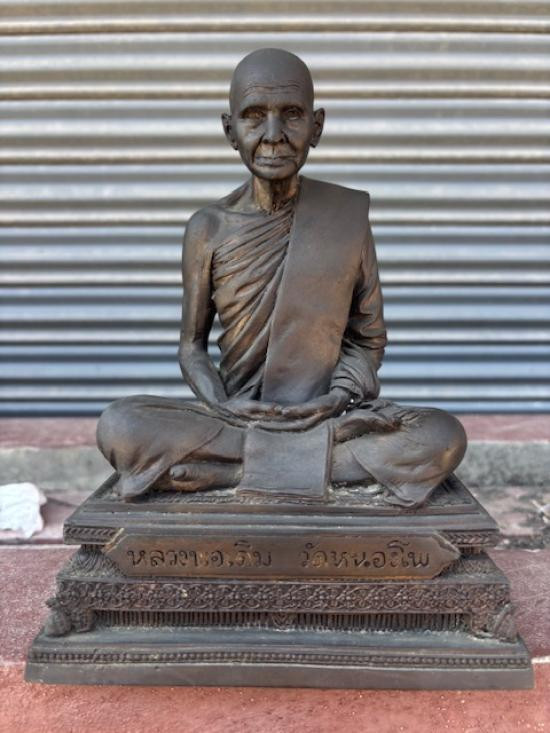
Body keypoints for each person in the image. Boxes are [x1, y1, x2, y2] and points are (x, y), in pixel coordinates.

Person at [97, 48, 466, 508]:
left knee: (441, 435)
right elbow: (191, 347)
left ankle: (230, 472)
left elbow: (368, 340)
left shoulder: (345, 217)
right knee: (121, 424)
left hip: (325, 417)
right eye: (254, 116)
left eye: (291, 115)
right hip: (237, 418)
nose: (274, 136)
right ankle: (320, 468)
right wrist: (222, 405)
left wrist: (336, 399)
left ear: (317, 126)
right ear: (229, 131)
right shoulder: (208, 228)